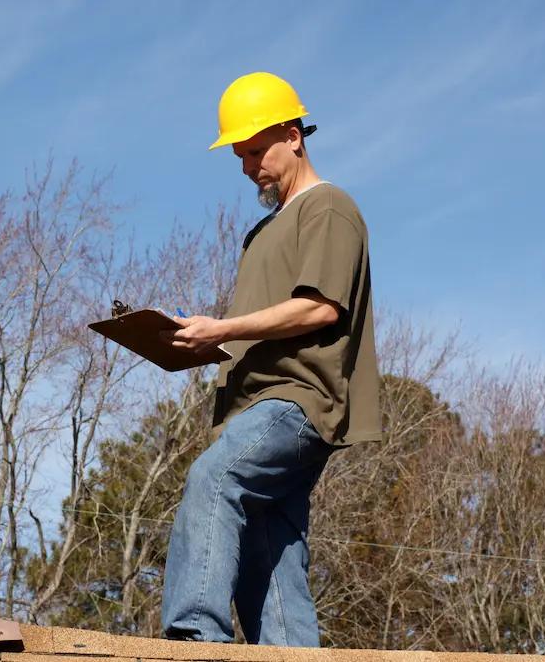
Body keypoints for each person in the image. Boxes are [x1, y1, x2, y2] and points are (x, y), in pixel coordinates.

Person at [158, 72, 382, 647]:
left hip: (297, 400)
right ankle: (288, 653)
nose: (247, 167)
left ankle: (194, 639)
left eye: (257, 151)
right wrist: (203, 343)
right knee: (269, 546)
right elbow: (264, 327)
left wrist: (225, 327)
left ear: (294, 135)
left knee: (214, 478)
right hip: (254, 402)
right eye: (239, 156)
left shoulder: (328, 206)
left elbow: (320, 308)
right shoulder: (262, 232)